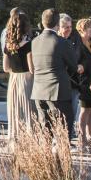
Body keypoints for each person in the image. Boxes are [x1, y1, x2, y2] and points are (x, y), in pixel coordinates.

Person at [31, 8, 77, 141]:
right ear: (57, 24)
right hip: (58, 90)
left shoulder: (35, 41)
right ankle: (61, 158)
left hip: (39, 90)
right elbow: (73, 66)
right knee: (63, 128)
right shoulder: (62, 42)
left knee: (45, 130)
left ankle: (46, 159)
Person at [1, 8, 34, 146]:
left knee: (15, 112)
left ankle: (15, 142)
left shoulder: (8, 45)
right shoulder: (29, 44)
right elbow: (31, 67)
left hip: (14, 79)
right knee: (29, 112)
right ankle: (30, 142)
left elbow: (5, 67)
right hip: (27, 79)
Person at [74, 17, 91, 151]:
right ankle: (82, 139)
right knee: (85, 110)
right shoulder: (77, 44)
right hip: (84, 83)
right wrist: (82, 66)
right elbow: (75, 63)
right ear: (82, 29)